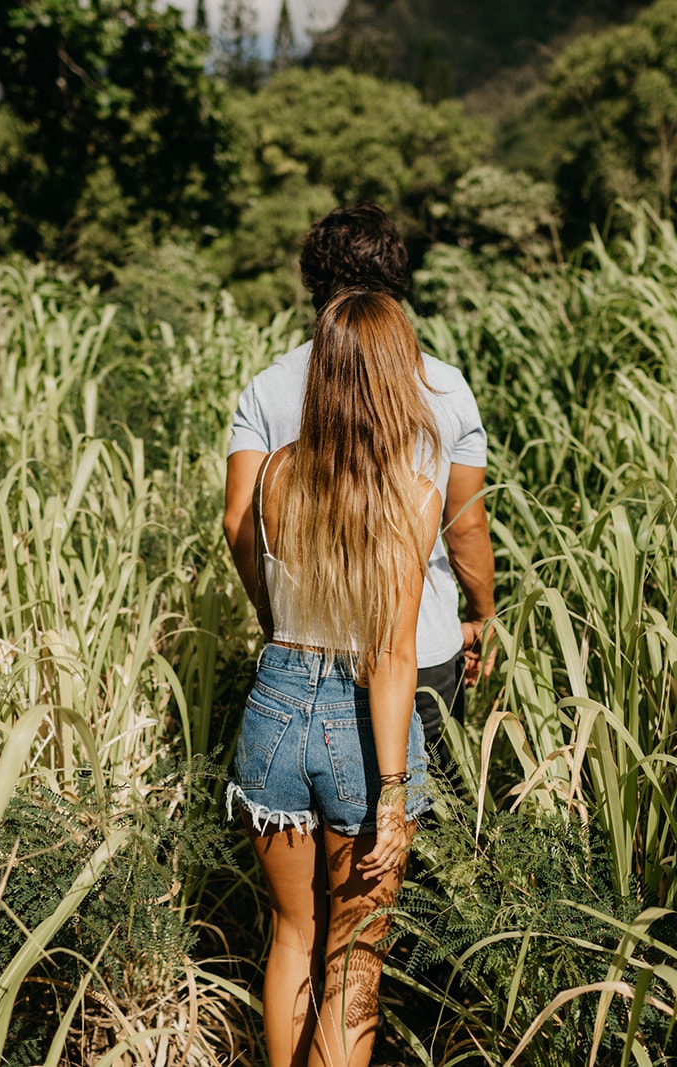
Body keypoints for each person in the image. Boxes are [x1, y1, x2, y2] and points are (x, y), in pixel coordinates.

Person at [225, 289, 445, 1066]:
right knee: (354, 965)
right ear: (394, 376)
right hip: (357, 727)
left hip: (274, 706)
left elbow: (247, 550)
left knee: (291, 934)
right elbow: (389, 657)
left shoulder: (279, 470)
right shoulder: (413, 496)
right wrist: (390, 793)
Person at [224, 203, 497, 768]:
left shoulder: (268, 387)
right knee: (413, 826)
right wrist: (483, 616)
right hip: (420, 646)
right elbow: (464, 521)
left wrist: (275, 616)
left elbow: (238, 522)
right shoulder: (446, 385)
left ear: (313, 283)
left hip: (304, 656)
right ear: (396, 280)